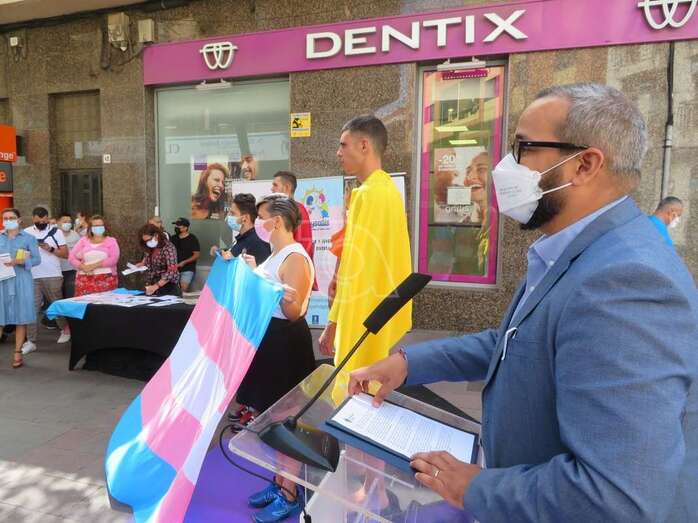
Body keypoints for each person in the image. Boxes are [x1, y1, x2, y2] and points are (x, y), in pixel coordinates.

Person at [348, 83, 698, 523]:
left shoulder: (625, 281)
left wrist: (475, 488)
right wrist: (407, 363)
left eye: (523, 148)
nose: (504, 167)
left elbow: (615, 496)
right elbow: (517, 343)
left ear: (585, 164)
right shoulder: (575, 248)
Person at [235, 194, 315, 523]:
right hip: (268, 340)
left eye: (261, 218)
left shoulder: (295, 257)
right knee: (270, 416)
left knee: (286, 419)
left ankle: (290, 493)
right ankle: (279, 481)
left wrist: (268, 284)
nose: (258, 224)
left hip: (286, 344)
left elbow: (293, 311)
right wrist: (253, 274)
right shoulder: (275, 254)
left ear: (277, 222)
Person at [318, 115, 412, 372]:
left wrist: (334, 321)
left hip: (361, 310)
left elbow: (353, 267)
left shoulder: (367, 195)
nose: (338, 153)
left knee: (354, 381)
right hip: (378, 307)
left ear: (363, 146)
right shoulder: (389, 191)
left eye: (343, 145)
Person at [23, 207, 70, 353]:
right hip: (32, 275)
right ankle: (31, 341)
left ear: (48, 219)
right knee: (32, 308)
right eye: (39, 221)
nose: (42, 223)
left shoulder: (56, 232)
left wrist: (50, 249)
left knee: (56, 303)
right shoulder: (26, 232)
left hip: (52, 274)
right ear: (33, 219)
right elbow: (21, 252)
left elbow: (65, 254)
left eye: (44, 221)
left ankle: (65, 329)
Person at [0, 208, 41, 368]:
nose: (8, 220)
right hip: (2, 281)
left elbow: (37, 259)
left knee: (21, 317)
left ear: (19, 220)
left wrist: (20, 261)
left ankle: (18, 353)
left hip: (21, 281)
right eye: (5, 218)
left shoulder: (29, 238)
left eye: (11, 217)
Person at [271, 171, 317, 289]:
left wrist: (294, 277)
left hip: (293, 279)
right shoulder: (281, 212)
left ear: (287, 188)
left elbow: (304, 245)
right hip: (280, 277)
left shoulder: (298, 210)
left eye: (275, 185)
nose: (272, 189)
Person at [69, 215, 120, 296]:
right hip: (84, 279)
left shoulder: (111, 241)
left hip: (106, 279)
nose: (98, 227)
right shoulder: (83, 240)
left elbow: (113, 259)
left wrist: (92, 266)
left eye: (100, 225)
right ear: (90, 228)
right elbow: (71, 257)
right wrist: (83, 267)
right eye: (95, 226)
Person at [216, 193, 271, 265]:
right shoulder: (244, 238)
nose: (228, 216)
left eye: (232, 213)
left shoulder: (256, 241)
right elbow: (232, 253)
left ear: (245, 218)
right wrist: (220, 251)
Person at [136, 224, 181, 296]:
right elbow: (149, 261)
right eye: (145, 241)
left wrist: (156, 286)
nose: (147, 243)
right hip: (153, 285)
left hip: (168, 287)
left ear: (156, 235)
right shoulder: (149, 248)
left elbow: (172, 271)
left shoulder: (169, 248)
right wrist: (142, 265)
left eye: (148, 240)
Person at [170, 217, 200, 292]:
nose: (176, 227)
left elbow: (196, 255)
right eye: (176, 225)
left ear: (185, 228)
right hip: (174, 268)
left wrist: (184, 262)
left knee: (183, 289)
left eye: (178, 226)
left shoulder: (192, 238)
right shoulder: (173, 238)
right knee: (173, 290)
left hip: (187, 268)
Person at [58, 213, 80, 299]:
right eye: (65, 221)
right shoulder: (54, 235)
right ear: (58, 222)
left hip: (72, 269)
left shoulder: (75, 235)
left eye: (69, 222)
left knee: (70, 294)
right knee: (58, 294)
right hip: (57, 270)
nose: (67, 223)